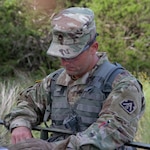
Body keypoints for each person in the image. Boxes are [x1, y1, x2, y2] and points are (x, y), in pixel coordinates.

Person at [4, 7, 145, 150]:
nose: (65, 62)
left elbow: (109, 131)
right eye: (61, 55)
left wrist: (53, 148)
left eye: (72, 55)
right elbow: (27, 104)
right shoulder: (54, 81)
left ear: (93, 48)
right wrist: (20, 125)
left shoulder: (123, 85)